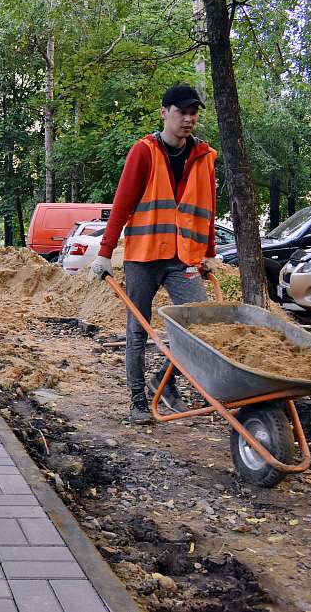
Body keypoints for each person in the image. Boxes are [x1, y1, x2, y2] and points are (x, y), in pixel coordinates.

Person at [90, 84, 219, 425]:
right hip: (144, 256)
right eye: (182, 112)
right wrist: (105, 253)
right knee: (138, 329)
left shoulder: (204, 156)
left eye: (193, 113)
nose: (188, 119)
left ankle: (164, 380)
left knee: (198, 324)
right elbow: (122, 205)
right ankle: (137, 402)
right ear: (165, 112)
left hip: (183, 257)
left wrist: (209, 252)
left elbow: (208, 207)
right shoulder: (144, 152)